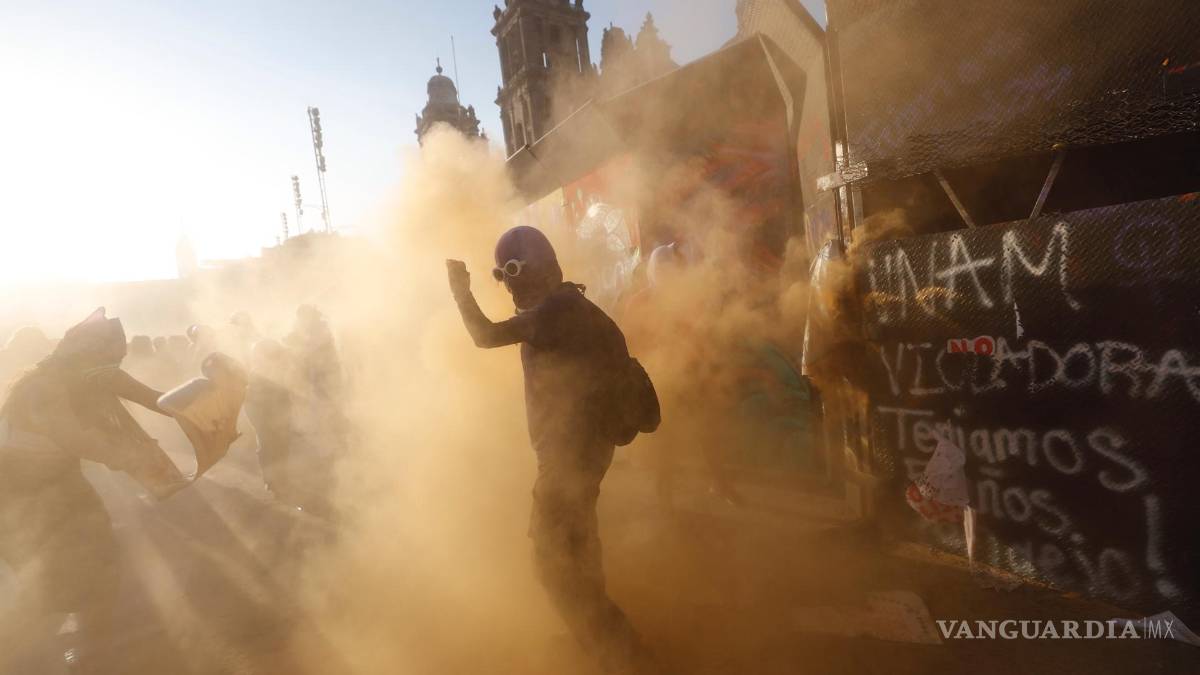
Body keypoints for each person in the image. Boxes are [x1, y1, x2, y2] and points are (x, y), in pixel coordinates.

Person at [446, 226, 660, 675]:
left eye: (511, 277)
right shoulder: (573, 307)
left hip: (567, 463)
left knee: (556, 569)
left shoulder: (556, 313)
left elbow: (484, 335)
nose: (510, 288)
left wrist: (460, 291)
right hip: (584, 457)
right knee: (578, 555)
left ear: (532, 274)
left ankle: (625, 659)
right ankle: (602, 646)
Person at [0, 309, 186, 671]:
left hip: (54, 478)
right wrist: (126, 457)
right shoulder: (46, 384)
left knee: (88, 553)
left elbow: (151, 397)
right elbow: (72, 436)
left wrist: (199, 408)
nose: (111, 366)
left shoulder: (79, 373)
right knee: (46, 573)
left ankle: (85, 639)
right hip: (21, 485)